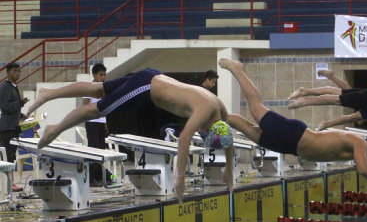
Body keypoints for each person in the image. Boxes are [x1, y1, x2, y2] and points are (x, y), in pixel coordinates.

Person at [25, 68, 235, 201]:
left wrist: (229, 171)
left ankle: (48, 93)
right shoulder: (204, 112)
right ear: (209, 127)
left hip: (152, 75)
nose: (201, 131)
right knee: (96, 109)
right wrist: (179, 179)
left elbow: (229, 141)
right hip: (146, 88)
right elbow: (185, 139)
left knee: (97, 89)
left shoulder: (219, 110)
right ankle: (56, 128)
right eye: (204, 133)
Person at [218, 57, 367, 206]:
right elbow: (364, 169)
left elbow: (366, 169)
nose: (365, 163)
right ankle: (236, 69)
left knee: (247, 129)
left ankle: (215, 115)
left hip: (291, 147)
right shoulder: (359, 143)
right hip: (295, 135)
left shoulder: (358, 151)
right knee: (256, 108)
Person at [0, 63, 29, 192]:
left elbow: (13, 108)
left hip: (12, 126)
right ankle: (9, 184)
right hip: (7, 128)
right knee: (9, 157)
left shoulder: (13, 87)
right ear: (8, 73)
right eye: (14, 71)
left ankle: (10, 183)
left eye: (19, 71)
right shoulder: (5, 87)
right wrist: (20, 103)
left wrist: (22, 115)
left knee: (11, 156)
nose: (17, 73)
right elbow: (6, 107)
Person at [82, 63, 112, 187]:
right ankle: (92, 177)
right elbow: (85, 106)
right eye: (101, 75)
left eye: (104, 75)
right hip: (92, 122)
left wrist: (106, 123)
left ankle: (100, 175)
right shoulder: (89, 88)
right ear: (94, 75)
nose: (103, 77)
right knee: (93, 150)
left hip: (101, 122)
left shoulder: (104, 88)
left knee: (101, 150)